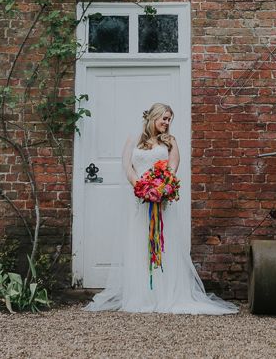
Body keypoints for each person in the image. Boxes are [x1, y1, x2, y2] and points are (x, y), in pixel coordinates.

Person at [84, 103, 237, 314]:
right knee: (138, 242)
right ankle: (141, 295)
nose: (167, 123)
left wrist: (162, 188)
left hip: (162, 202)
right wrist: (140, 186)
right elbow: (127, 166)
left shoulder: (170, 141)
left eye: (169, 120)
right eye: (164, 118)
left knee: (165, 243)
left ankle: (166, 293)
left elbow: (173, 167)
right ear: (153, 117)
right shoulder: (134, 139)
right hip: (140, 201)